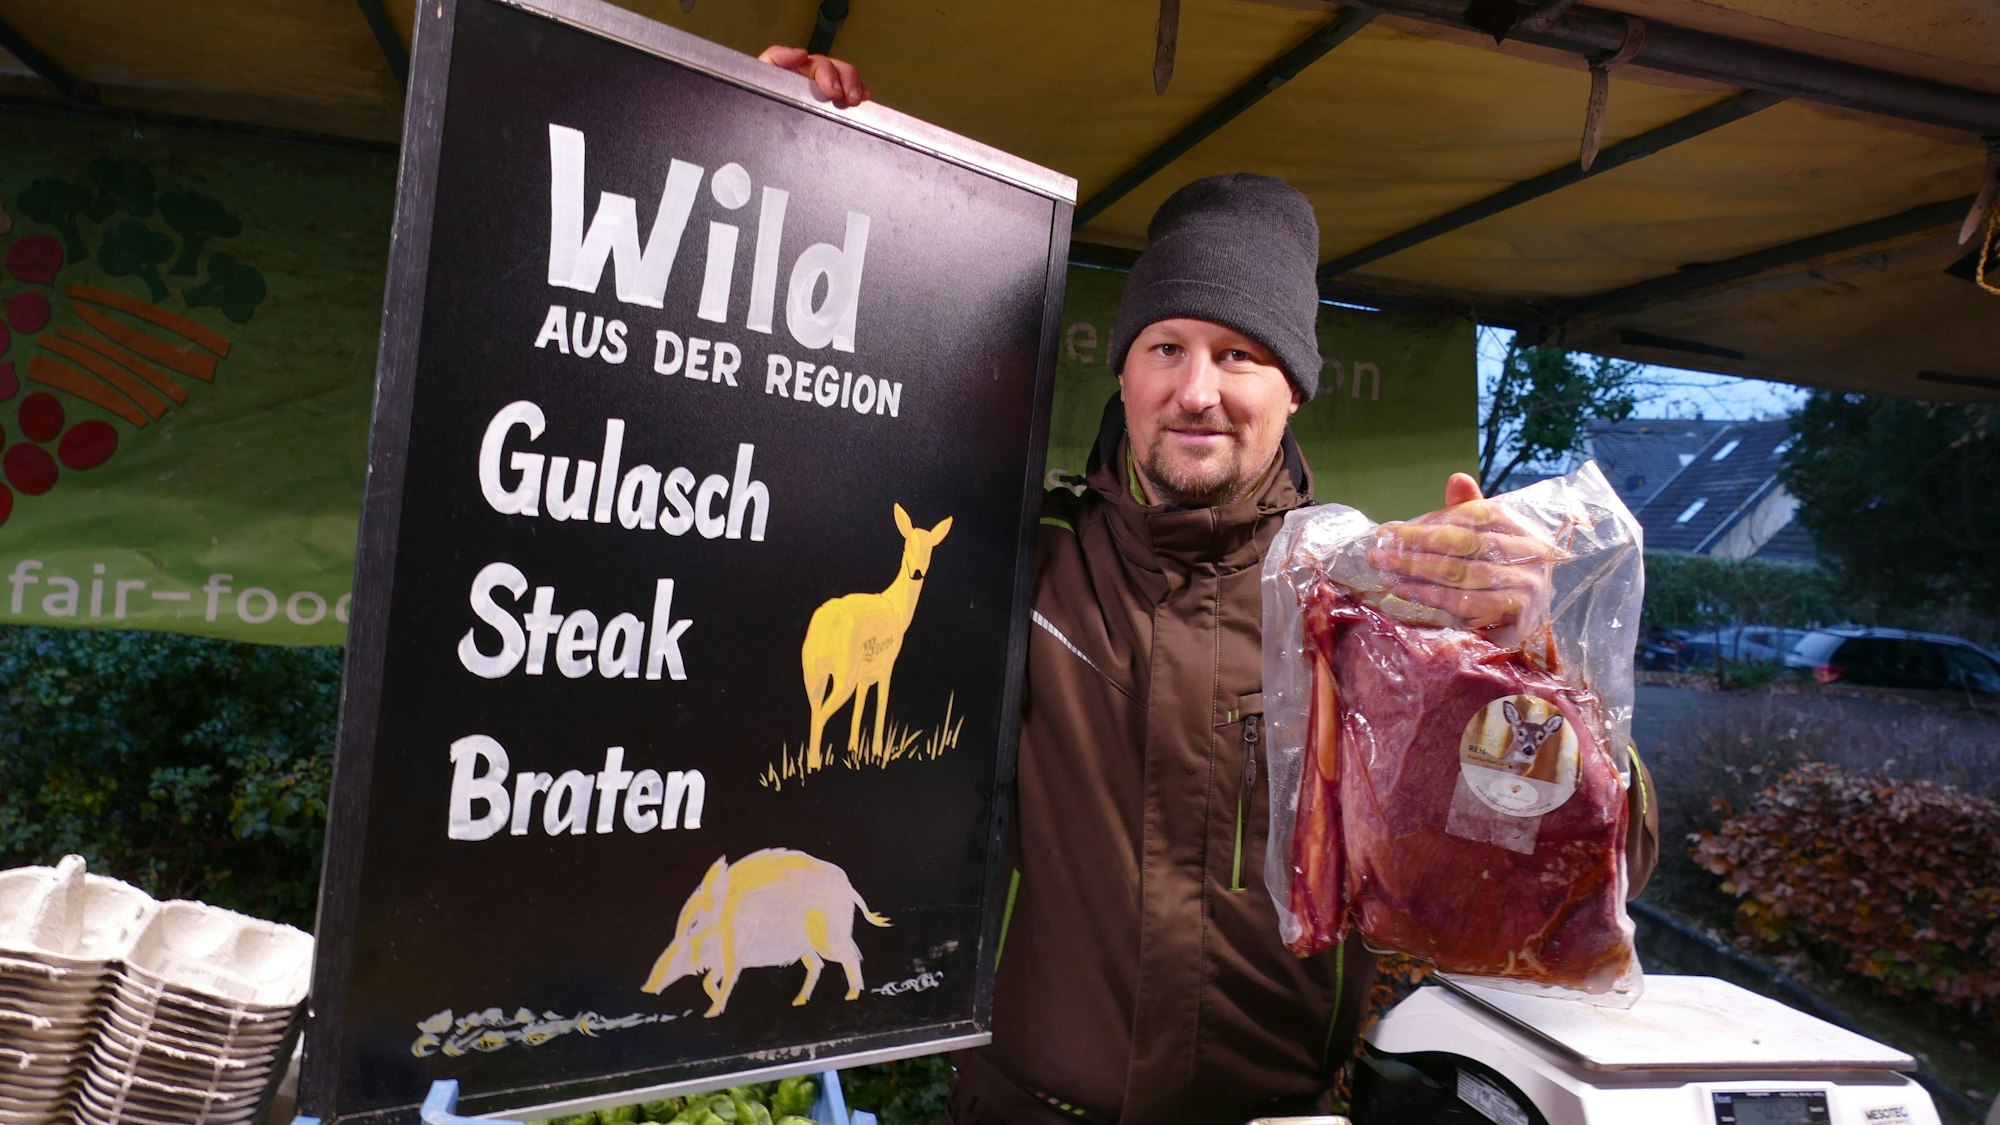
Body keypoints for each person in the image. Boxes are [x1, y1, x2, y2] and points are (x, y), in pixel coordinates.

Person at [761, 50, 1658, 1125]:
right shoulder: (1021, 561)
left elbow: (1602, 862)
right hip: (1021, 1108)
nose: (1196, 391)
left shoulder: (1369, 605)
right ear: (1123, 372)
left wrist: (1520, 667)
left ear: (1292, 388)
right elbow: (798, 473)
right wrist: (771, 145)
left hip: (1277, 1114)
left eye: (1238, 354)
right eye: (1166, 346)